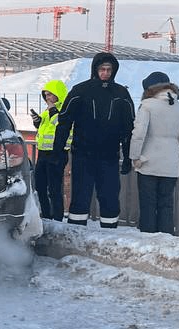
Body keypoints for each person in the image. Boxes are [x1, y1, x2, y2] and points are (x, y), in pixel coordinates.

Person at [50, 51, 135, 229]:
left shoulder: (121, 94)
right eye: (102, 69)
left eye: (109, 69)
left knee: (110, 197)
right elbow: (64, 122)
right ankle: (76, 233)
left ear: (114, 71)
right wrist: (58, 152)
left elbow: (128, 129)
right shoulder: (80, 91)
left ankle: (109, 235)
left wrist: (128, 157)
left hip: (110, 156)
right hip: (83, 154)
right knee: (81, 196)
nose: (105, 73)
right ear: (95, 70)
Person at [128, 71, 179, 234]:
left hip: (147, 161)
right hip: (171, 163)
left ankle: (148, 239)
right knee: (166, 204)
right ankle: (166, 238)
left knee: (148, 204)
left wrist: (135, 157)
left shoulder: (147, 106)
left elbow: (138, 134)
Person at [29, 79, 71, 221]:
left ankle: (57, 218)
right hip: (42, 153)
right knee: (40, 187)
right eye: (45, 95)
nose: (48, 98)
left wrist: (53, 110)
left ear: (58, 94)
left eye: (50, 94)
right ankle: (46, 216)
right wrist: (38, 122)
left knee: (54, 189)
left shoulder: (65, 110)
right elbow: (47, 131)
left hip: (58, 153)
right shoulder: (47, 112)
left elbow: (62, 125)